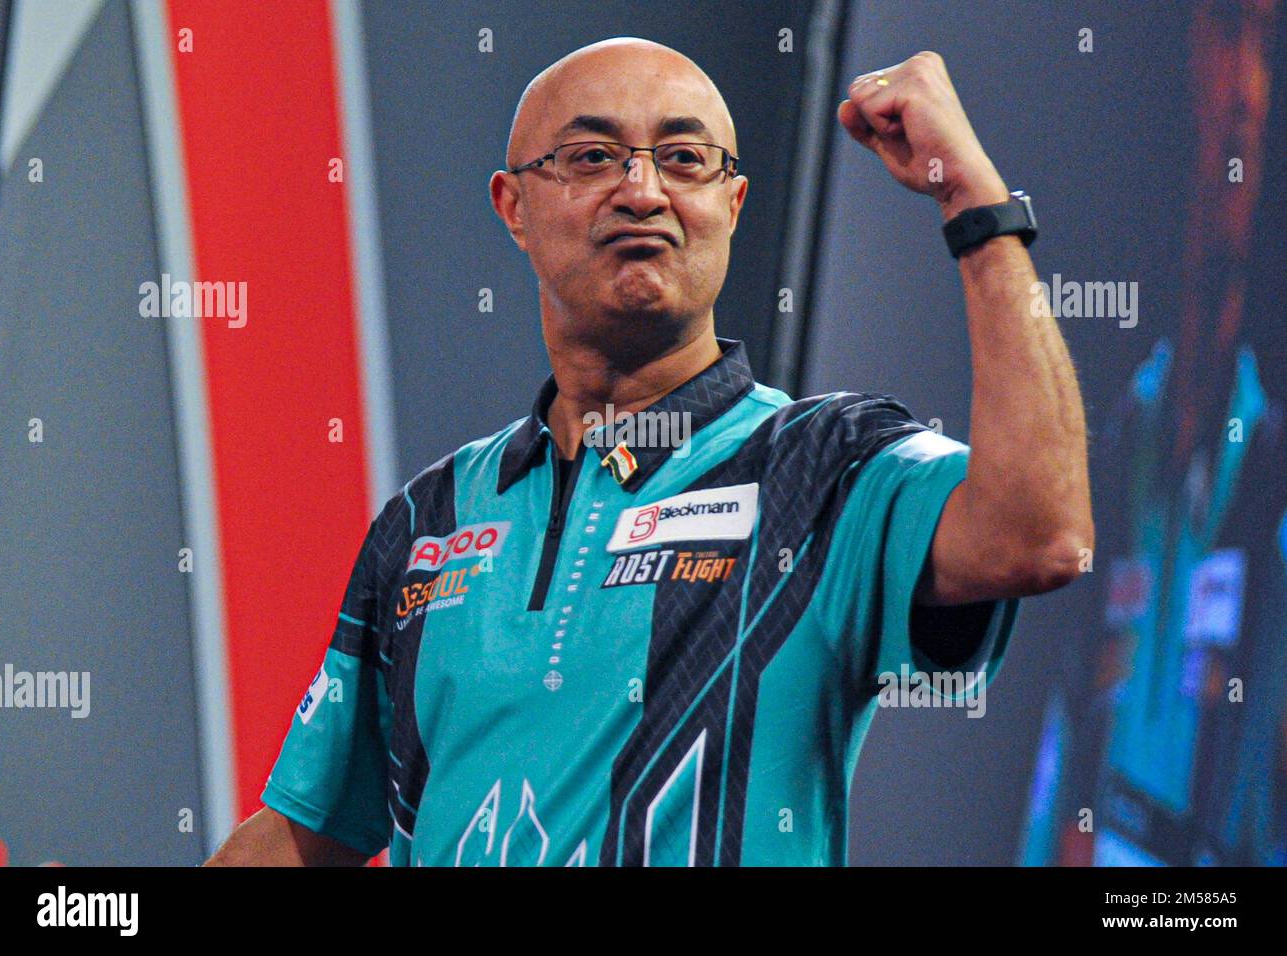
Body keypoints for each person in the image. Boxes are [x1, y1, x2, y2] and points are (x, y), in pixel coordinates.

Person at [205, 37, 1092, 866]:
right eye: (592, 158)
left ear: (731, 205)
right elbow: (305, 832)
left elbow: (1040, 535)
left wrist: (974, 204)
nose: (643, 191)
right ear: (513, 207)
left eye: (684, 158)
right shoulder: (425, 522)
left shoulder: (826, 466)